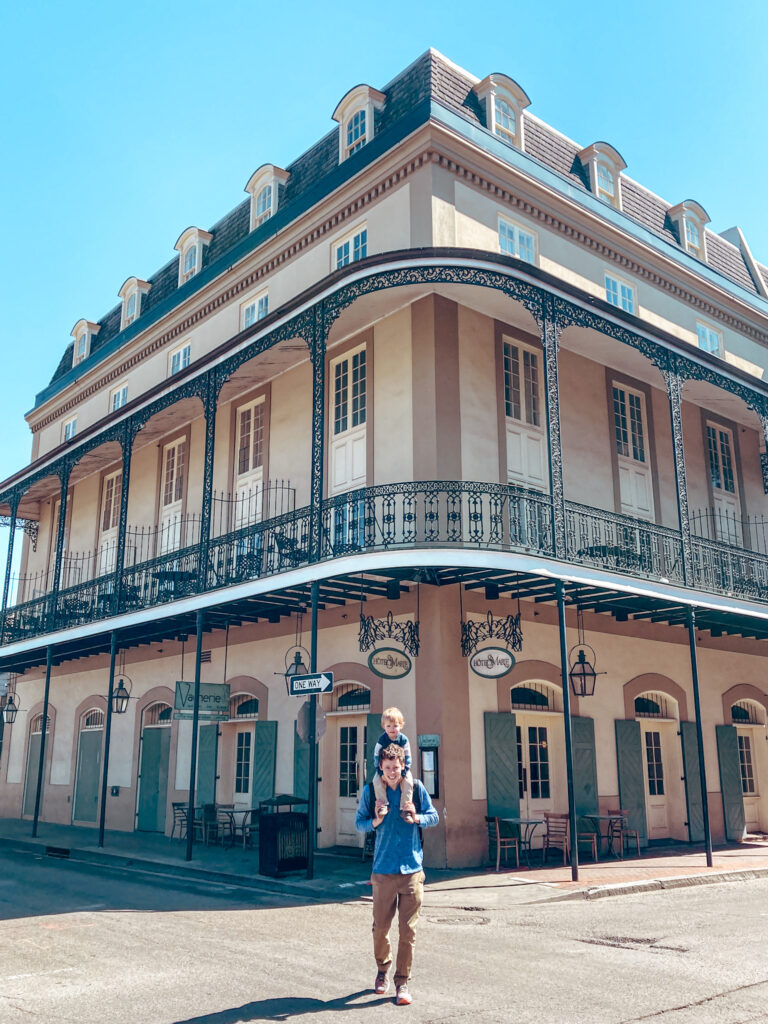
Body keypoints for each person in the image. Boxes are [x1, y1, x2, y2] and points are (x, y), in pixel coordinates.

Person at [355, 742, 439, 1006]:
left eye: (396, 767)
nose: (392, 772)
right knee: (380, 928)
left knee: (408, 931)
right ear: (381, 766)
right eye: (388, 767)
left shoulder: (415, 790)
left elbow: (434, 816)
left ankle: (402, 982)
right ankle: (383, 970)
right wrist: (375, 822)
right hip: (382, 871)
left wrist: (417, 818)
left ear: (404, 767)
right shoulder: (371, 792)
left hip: (412, 870)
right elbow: (359, 823)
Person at [371, 707, 414, 821]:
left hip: (401, 768)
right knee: (376, 781)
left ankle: (406, 808)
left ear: (400, 726)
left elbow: (408, 756)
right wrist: (380, 772)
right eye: (388, 726)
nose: (392, 729)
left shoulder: (403, 740)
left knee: (409, 782)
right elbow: (376, 755)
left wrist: (404, 773)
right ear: (383, 726)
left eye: (395, 726)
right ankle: (383, 805)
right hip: (384, 768)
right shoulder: (382, 739)